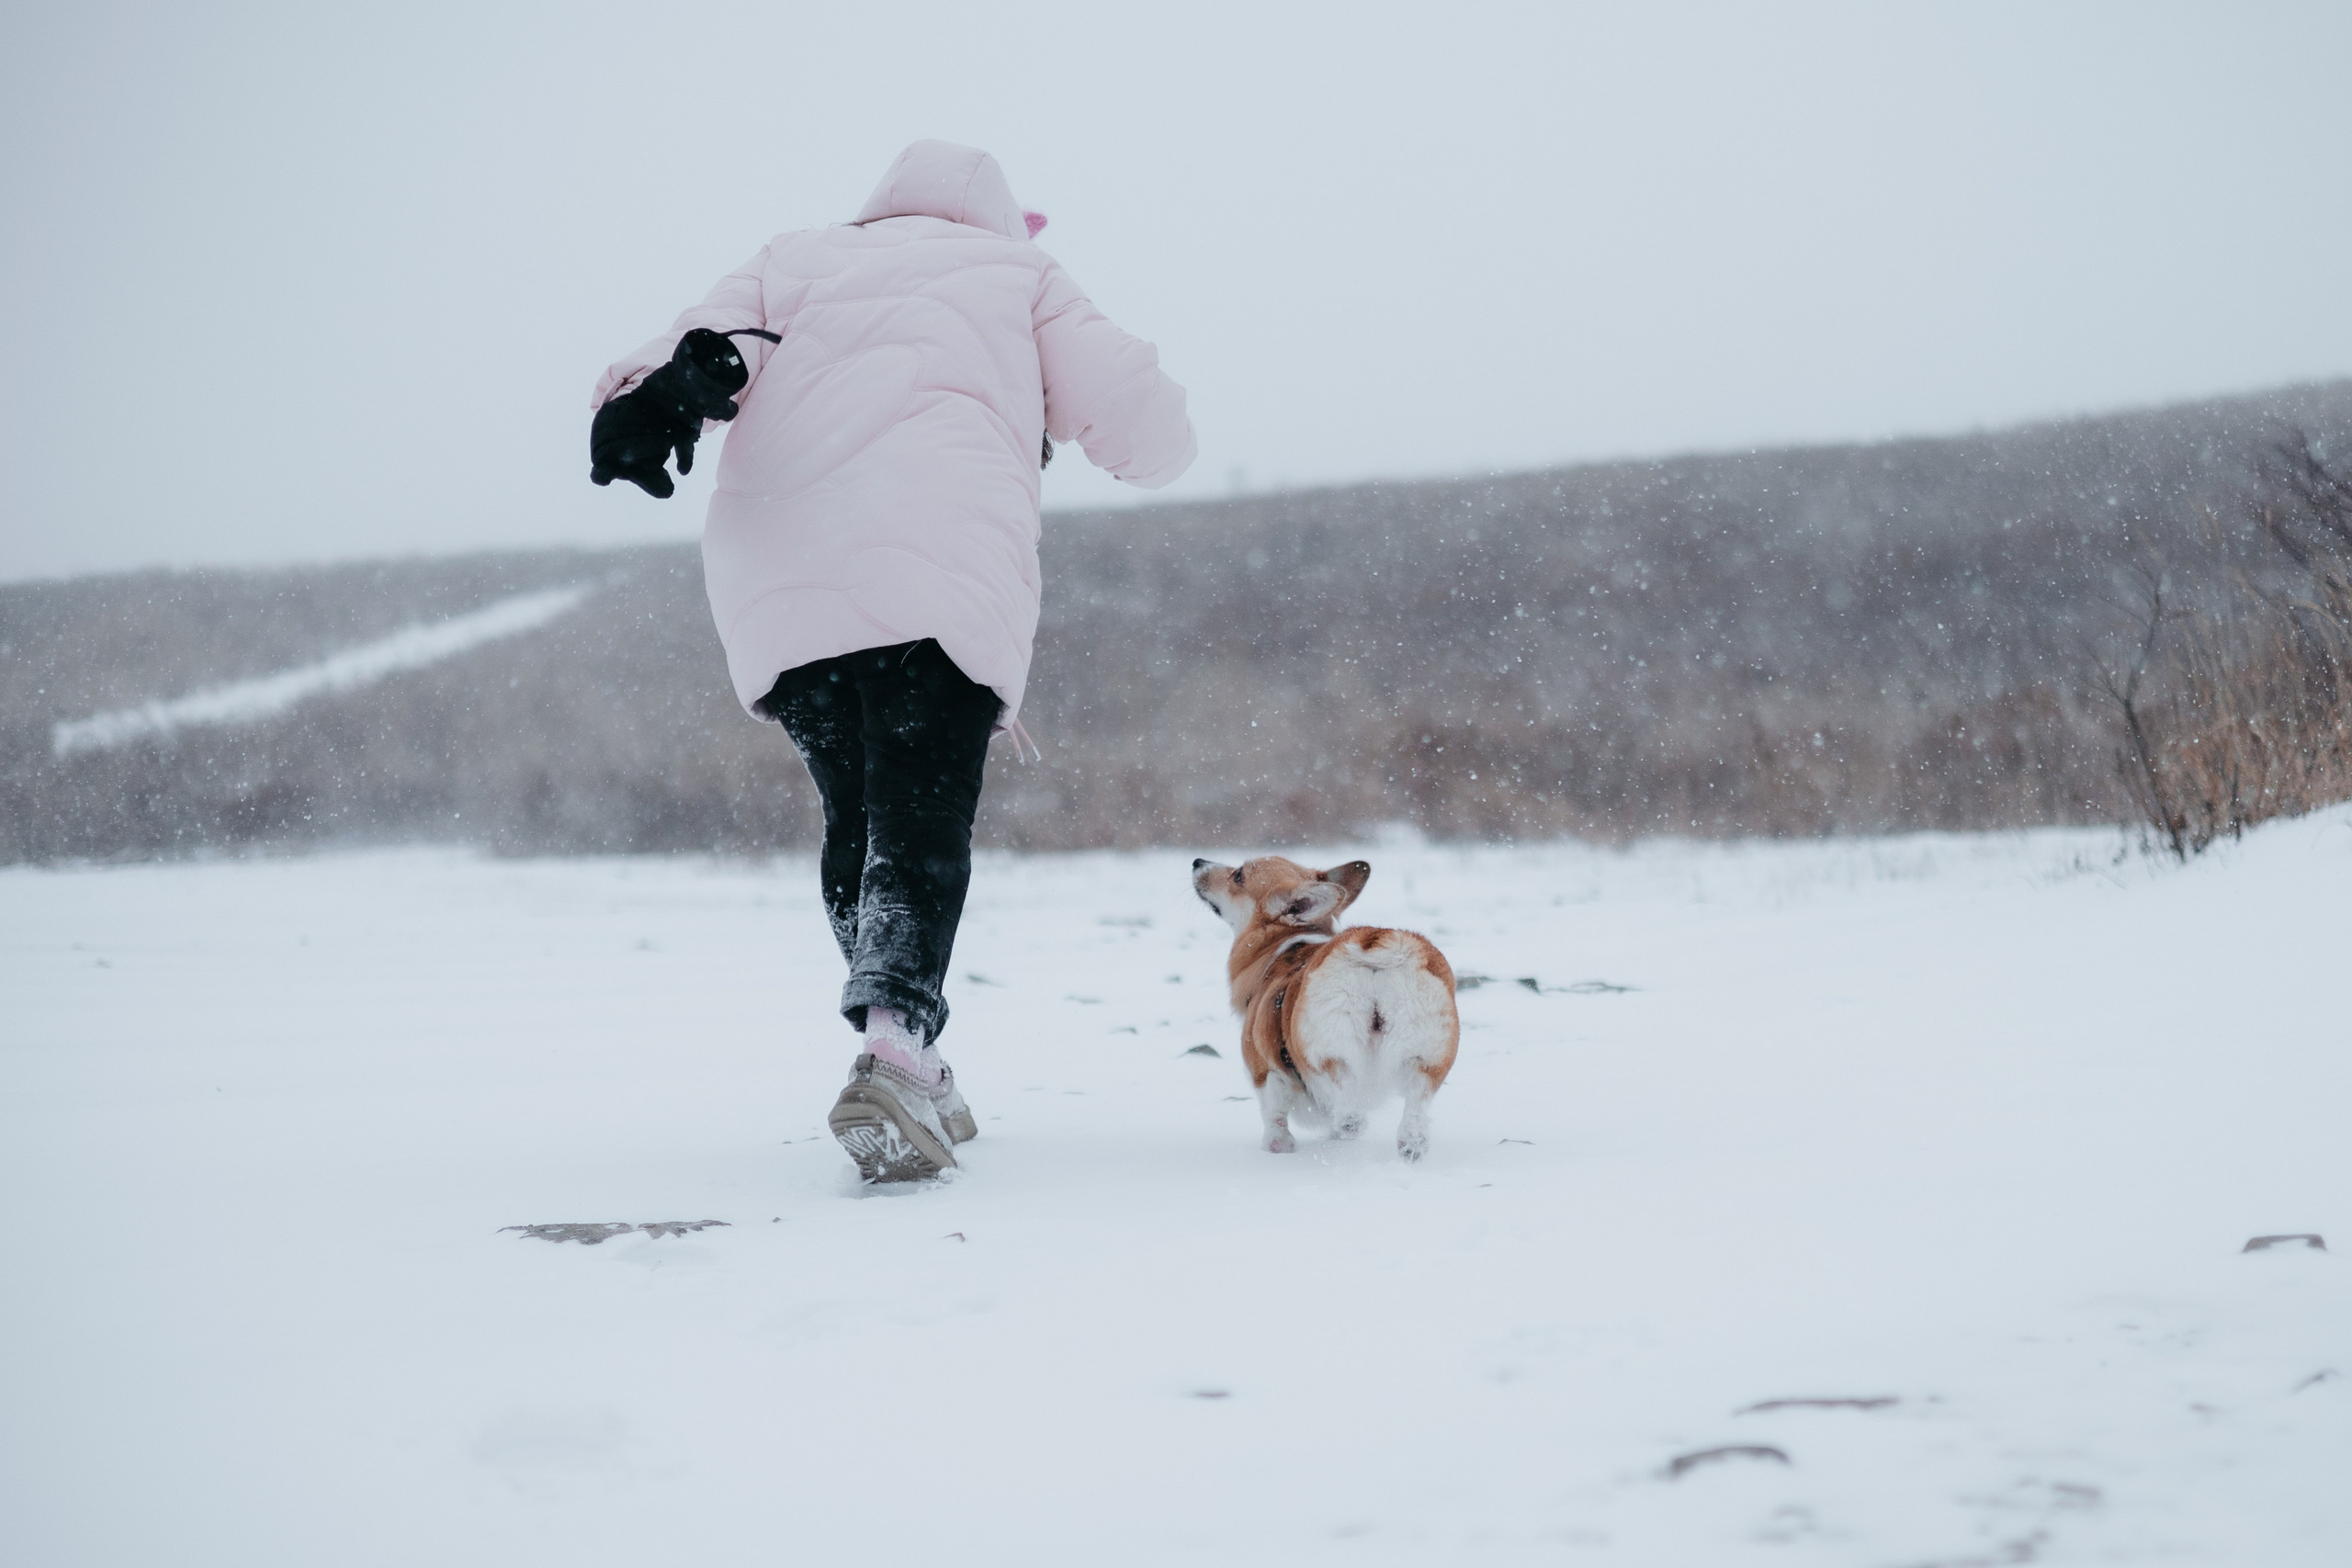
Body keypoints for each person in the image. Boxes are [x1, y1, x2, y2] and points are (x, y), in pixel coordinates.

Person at [591, 141, 1196, 1183]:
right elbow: (1144, 424)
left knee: (861, 815)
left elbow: (691, 354)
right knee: (918, 817)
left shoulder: (797, 259)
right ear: (1005, 219)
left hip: (787, 593)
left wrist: (649, 405)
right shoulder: (1018, 273)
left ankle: (903, 1046)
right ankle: (898, 1048)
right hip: (939, 582)